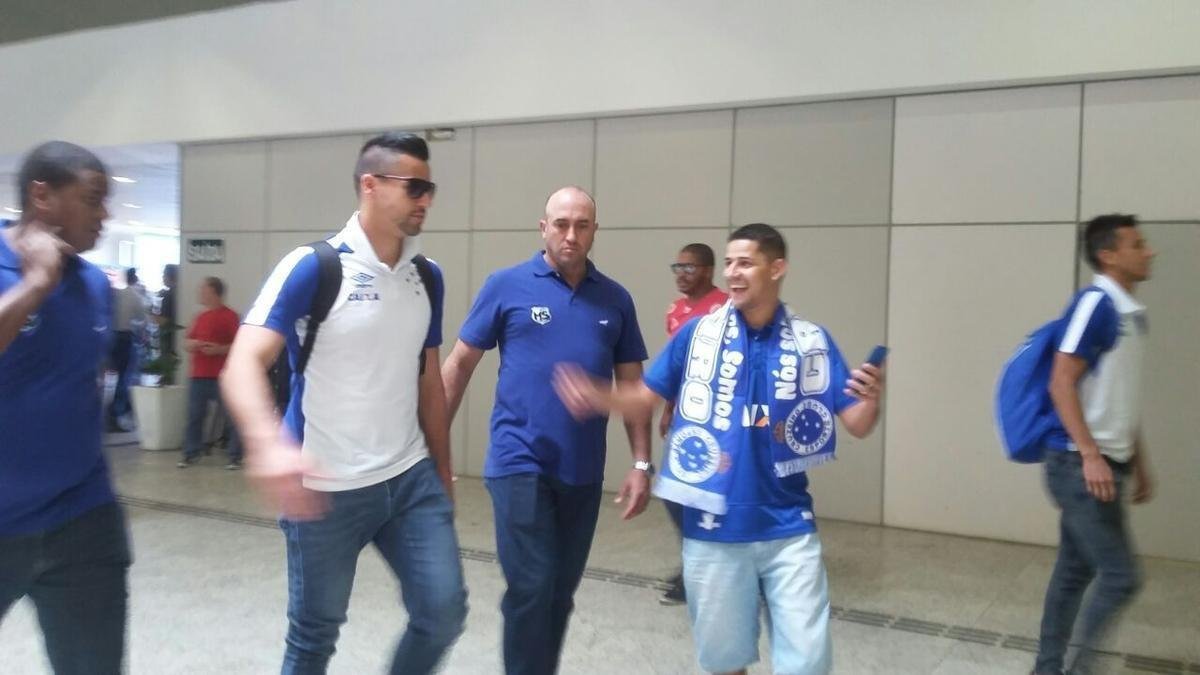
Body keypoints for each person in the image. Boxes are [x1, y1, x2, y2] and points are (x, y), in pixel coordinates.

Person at [553, 223, 885, 675]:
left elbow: (858, 424)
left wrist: (871, 399)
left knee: (808, 662)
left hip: (789, 527)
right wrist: (599, 396)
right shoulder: (697, 336)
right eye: (729, 263)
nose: (733, 273)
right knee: (725, 662)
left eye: (745, 263)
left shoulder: (812, 341)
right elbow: (645, 398)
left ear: (777, 268)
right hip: (713, 531)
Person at [221, 132, 466, 674]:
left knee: (444, 611)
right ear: (370, 185)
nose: (426, 199)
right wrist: (267, 446)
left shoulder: (427, 276)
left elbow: (429, 378)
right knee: (314, 639)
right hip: (324, 492)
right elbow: (241, 363)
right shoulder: (313, 266)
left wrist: (443, 469)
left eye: (431, 188)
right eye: (415, 187)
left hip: (407, 480)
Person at [441, 185, 651, 674]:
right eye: (561, 224)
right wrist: (433, 445)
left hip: (581, 471)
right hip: (519, 462)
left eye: (582, 225)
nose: (571, 235)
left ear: (595, 231)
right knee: (532, 585)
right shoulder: (506, 285)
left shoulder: (615, 300)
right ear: (543, 228)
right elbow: (459, 365)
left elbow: (633, 387)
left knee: (558, 593)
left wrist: (641, 462)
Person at [0, 141, 131, 673]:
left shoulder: (95, 284)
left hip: (81, 518)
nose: (105, 215)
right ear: (42, 196)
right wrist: (34, 285)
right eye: (93, 199)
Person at [1032, 214, 1155, 675]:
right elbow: (1061, 383)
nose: (1149, 252)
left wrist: (1139, 462)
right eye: (1137, 244)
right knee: (1121, 577)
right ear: (1109, 255)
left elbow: (1119, 396)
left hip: (1107, 463)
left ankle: (1048, 668)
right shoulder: (1096, 303)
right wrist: (1090, 455)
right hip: (1078, 464)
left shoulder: (1129, 312)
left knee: (1074, 573)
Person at [658, 243, 728, 605]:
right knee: (675, 494)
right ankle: (696, 564)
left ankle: (706, 571)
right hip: (687, 415)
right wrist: (668, 408)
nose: (681, 274)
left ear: (708, 270)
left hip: (720, 417)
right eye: (677, 266)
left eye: (689, 267)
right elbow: (673, 366)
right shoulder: (675, 311)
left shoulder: (726, 308)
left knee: (713, 495)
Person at [178, 276, 243, 469]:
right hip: (198, 375)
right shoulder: (200, 317)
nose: (200, 293)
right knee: (194, 416)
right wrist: (195, 344)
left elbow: (239, 345)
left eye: (203, 289)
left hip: (222, 376)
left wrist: (219, 349)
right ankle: (191, 453)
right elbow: (186, 342)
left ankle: (234, 456)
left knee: (232, 417)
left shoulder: (230, 317)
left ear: (214, 292)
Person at [109, 267, 147, 431]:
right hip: (125, 337)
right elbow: (141, 320)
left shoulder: (111, 294)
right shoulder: (135, 296)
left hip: (108, 336)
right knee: (125, 376)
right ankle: (118, 412)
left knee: (101, 376)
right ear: (134, 280)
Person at [155, 263, 178, 356]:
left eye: (164, 275)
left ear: (169, 276)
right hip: (176, 338)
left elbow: (163, 321)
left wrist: (151, 314)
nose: (163, 278)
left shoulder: (168, 296)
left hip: (167, 339)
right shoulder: (179, 291)